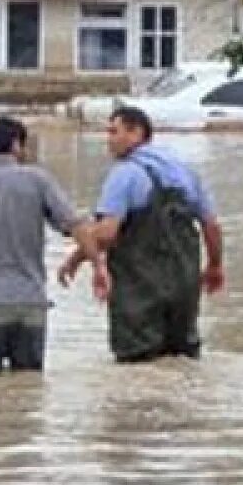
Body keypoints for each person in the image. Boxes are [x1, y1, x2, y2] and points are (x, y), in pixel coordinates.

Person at [58, 105, 224, 362]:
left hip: (139, 294)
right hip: (184, 289)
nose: (109, 140)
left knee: (137, 366)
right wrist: (215, 266)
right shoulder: (184, 172)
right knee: (182, 362)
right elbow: (211, 226)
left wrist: (77, 258)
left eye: (114, 132)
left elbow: (106, 234)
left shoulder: (125, 174)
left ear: (137, 132)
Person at [0, 116, 105, 377]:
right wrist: (98, 266)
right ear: (16, 145)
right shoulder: (38, 180)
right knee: (29, 387)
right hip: (31, 304)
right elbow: (77, 227)